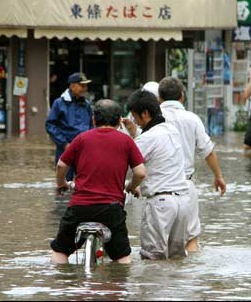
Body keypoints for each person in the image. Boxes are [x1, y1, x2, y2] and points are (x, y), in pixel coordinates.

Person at [50, 99, 147, 264]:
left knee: (60, 251)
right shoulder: (126, 141)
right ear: (119, 121)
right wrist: (131, 187)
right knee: (122, 258)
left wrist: (61, 184)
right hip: (111, 210)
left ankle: (63, 285)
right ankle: (118, 286)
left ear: (94, 120)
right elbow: (140, 173)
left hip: (80, 208)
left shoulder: (81, 139)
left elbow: (60, 166)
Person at [157, 76, 227, 252]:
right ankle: (188, 277)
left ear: (159, 98)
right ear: (182, 96)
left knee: (158, 245)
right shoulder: (192, 119)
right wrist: (218, 176)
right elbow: (208, 151)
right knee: (191, 240)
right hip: (185, 186)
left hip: (159, 188)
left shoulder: (153, 118)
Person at [126, 90, 192, 260]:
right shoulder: (172, 130)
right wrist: (135, 133)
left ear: (145, 113)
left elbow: (133, 168)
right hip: (183, 202)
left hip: (160, 204)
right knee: (177, 258)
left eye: (135, 116)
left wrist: (131, 186)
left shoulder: (147, 139)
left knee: (153, 260)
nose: (135, 121)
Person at [45, 72, 93, 182]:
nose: (84, 88)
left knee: (85, 181)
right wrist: (64, 144)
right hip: (65, 149)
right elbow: (50, 125)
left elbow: (91, 125)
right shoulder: (59, 103)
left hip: (84, 150)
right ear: (72, 86)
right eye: (82, 85)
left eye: (85, 85)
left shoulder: (86, 104)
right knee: (64, 181)